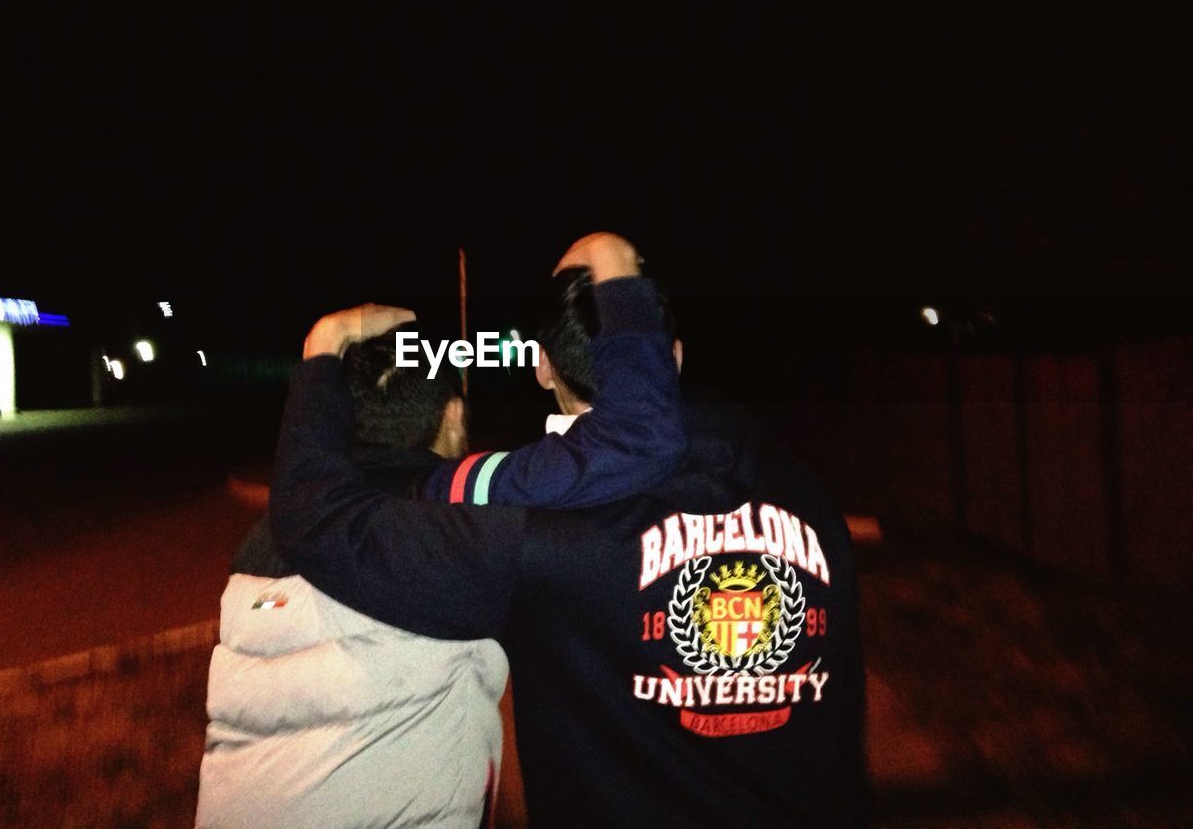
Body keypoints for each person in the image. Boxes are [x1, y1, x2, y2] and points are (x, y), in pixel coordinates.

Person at [270, 232, 868, 828]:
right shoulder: (806, 494)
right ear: (675, 357)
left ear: (541, 365)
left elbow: (321, 520)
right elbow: (844, 719)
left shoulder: (531, 530)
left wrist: (323, 352)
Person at [196, 233, 686, 829]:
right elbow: (630, 440)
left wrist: (322, 350)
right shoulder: (464, 521)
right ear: (453, 415)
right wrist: (613, 263)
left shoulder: (256, 544)